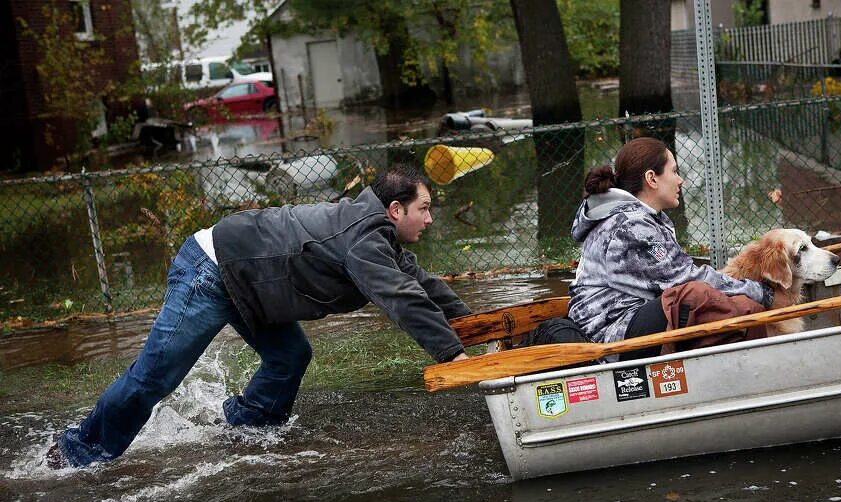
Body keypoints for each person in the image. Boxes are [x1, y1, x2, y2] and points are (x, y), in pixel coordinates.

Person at [47, 164, 470, 468]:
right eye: (425, 208)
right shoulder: (363, 240)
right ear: (396, 209)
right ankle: (77, 454)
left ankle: (247, 430)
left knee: (289, 356)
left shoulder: (378, 238)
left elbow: (423, 285)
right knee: (155, 377)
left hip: (250, 281)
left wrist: (484, 327)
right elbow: (401, 298)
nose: (429, 218)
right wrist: (453, 356)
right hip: (212, 270)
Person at [568, 137, 776, 362]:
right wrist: (764, 294)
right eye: (674, 171)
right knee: (693, 295)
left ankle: (749, 368)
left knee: (746, 306)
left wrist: (751, 296)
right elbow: (682, 279)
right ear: (652, 179)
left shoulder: (645, 219)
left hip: (631, 321)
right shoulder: (628, 225)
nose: (680, 181)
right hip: (608, 338)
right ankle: (744, 365)